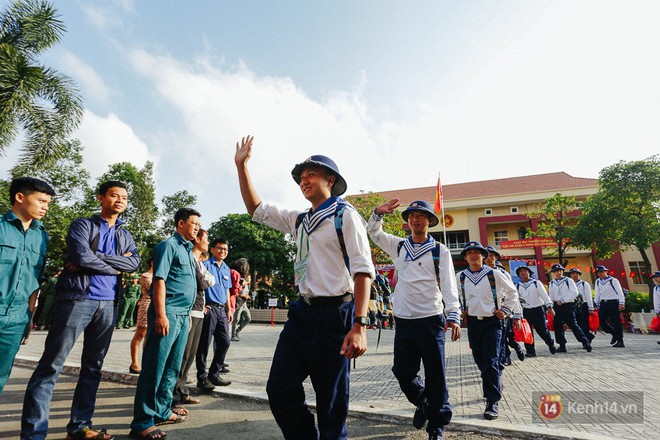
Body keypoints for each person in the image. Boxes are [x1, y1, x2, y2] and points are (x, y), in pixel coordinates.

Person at [235, 136, 374, 440]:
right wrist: (241, 166)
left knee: (331, 402)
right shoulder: (300, 220)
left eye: (311, 174)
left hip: (336, 314)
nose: (304, 180)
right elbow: (256, 209)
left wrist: (359, 325)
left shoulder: (345, 216)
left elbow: (364, 271)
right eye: (301, 177)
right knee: (279, 388)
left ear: (331, 179)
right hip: (301, 314)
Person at [22, 181, 139, 440]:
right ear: (101, 198)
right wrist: (113, 264)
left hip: (108, 304)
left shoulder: (124, 234)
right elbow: (80, 256)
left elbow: (133, 263)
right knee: (51, 366)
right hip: (77, 300)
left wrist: (98, 258)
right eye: (113, 195)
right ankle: (33, 434)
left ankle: (80, 427)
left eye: (123, 197)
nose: (119, 200)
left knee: (93, 368)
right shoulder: (82, 225)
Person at [367, 199, 460, 440]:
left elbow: (449, 286)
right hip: (404, 321)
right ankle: (424, 401)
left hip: (431, 319)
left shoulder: (440, 250)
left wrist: (454, 315)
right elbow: (374, 234)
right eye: (411, 216)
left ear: (429, 220)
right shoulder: (399, 246)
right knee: (402, 371)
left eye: (420, 215)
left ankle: (436, 427)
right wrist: (377, 213)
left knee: (436, 375)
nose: (415, 219)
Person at [129, 208, 200, 440]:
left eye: (199, 224)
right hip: (167, 312)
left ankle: (161, 409)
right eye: (193, 223)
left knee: (172, 367)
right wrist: (160, 315)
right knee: (154, 368)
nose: (197, 228)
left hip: (183, 315)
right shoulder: (168, 246)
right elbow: (159, 281)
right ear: (180, 223)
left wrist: (188, 315)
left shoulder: (188, 250)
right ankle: (142, 422)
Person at [0, 177, 54, 395]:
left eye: (48, 203)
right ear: (20, 197)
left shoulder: (41, 237)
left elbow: (35, 281)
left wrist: (28, 318)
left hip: (16, 319)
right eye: (41, 201)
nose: (45, 207)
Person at [456, 241, 518, 421]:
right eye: (470, 253)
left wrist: (505, 310)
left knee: (490, 361)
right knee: (480, 359)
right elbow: (455, 295)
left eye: (477, 252)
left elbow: (512, 293)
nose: (473, 255)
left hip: (492, 322)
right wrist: (461, 309)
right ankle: (495, 381)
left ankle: (492, 400)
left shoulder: (494, 274)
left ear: (483, 255)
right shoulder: (461, 276)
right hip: (473, 323)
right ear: (465, 257)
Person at [172, 228, 216, 406]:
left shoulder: (200, 263)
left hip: (199, 312)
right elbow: (203, 283)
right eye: (206, 239)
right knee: (181, 356)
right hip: (189, 312)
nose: (207, 242)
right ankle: (173, 397)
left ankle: (182, 392)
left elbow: (210, 280)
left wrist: (205, 280)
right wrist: (205, 280)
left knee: (190, 355)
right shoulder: (189, 259)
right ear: (197, 240)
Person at [195, 238, 233, 388]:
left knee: (225, 342)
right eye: (219, 248)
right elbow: (198, 287)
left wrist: (229, 309)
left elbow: (227, 290)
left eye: (225, 249)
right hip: (209, 309)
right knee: (204, 344)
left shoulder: (226, 269)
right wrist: (201, 306)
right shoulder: (204, 265)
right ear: (212, 249)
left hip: (222, 310)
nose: (222, 251)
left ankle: (214, 373)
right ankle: (202, 377)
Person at [484, 246, 524, 366]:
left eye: (492, 255)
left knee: (504, 337)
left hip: (504, 312)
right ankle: (503, 359)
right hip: (488, 313)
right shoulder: (479, 273)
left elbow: (513, 294)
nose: (489, 258)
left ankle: (501, 362)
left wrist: (517, 315)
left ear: (496, 257)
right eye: (486, 256)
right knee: (497, 340)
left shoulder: (502, 273)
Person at [548, 263, 592, 353]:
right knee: (558, 326)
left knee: (573, 325)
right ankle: (562, 345)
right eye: (556, 271)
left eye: (560, 270)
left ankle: (585, 342)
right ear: (553, 273)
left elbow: (574, 292)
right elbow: (551, 296)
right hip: (557, 306)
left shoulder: (568, 280)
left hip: (567, 305)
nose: (558, 272)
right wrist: (550, 306)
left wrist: (563, 300)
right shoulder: (552, 283)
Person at [514, 265, 556, 357]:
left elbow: (544, 295)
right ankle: (530, 351)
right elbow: (516, 300)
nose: (523, 273)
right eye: (520, 272)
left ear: (529, 273)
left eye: (525, 271)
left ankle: (550, 343)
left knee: (542, 330)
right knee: (527, 331)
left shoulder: (536, 283)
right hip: (526, 311)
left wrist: (549, 307)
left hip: (538, 309)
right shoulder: (517, 286)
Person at [129, 258, 153, 374]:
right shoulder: (146, 276)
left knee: (149, 338)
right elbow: (153, 289)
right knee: (140, 334)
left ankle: (146, 363)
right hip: (147, 305)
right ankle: (134, 363)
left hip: (157, 306)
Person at [594, 265, 626, 348]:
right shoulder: (598, 281)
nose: (600, 274)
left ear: (606, 272)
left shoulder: (613, 280)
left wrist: (622, 303)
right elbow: (597, 293)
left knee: (616, 322)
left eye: (601, 272)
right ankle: (613, 333)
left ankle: (620, 340)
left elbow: (619, 292)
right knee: (600, 320)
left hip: (613, 302)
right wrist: (595, 303)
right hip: (603, 303)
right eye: (598, 272)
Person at [567, 268, 595, 342]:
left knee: (584, 324)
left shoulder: (584, 284)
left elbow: (588, 296)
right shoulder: (568, 284)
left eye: (577, 273)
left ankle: (586, 340)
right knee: (576, 324)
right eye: (573, 274)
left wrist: (591, 307)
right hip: (573, 305)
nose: (575, 275)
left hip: (583, 305)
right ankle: (588, 336)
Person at [230, 259, 252, 341]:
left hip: (244, 304)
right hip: (238, 302)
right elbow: (234, 292)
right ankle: (233, 335)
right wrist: (243, 295)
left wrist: (247, 296)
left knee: (248, 318)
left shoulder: (246, 283)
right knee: (236, 319)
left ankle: (237, 330)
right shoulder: (239, 279)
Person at [652, 271, 660, 345]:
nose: (656, 279)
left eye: (657, 277)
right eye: (655, 278)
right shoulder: (656, 288)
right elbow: (656, 300)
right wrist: (657, 311)